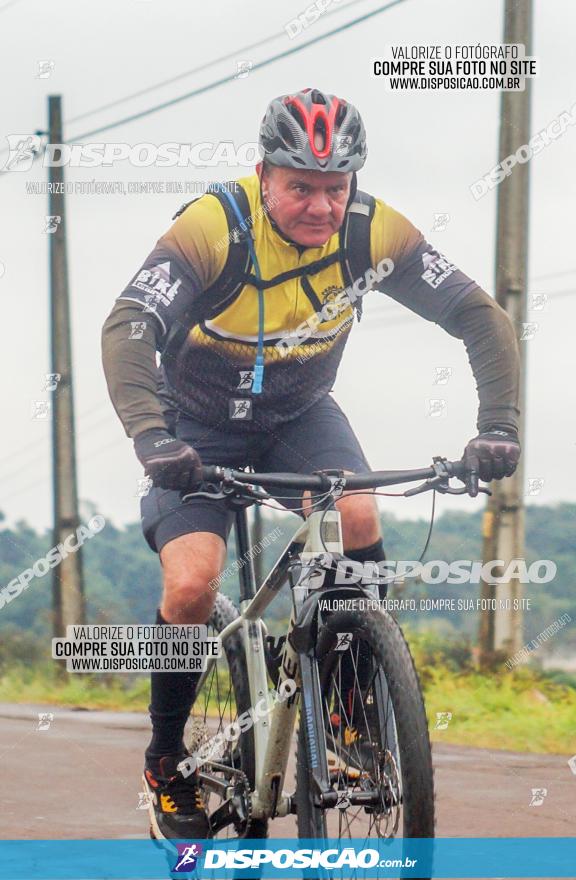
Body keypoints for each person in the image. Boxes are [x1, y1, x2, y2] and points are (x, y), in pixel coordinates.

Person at [101, 87, 521, 839]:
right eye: (302, 187)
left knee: (357, 514)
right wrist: (152, 438)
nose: (322, 206)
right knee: (193, 582)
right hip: (194, 430)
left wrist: (499, 426)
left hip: (298, 417)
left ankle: (354, 711)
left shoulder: (371, 231)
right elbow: (130, 325)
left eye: (336, 187)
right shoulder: (215, 227)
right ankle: (166, 763)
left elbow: (478, 315)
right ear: (264, 175)